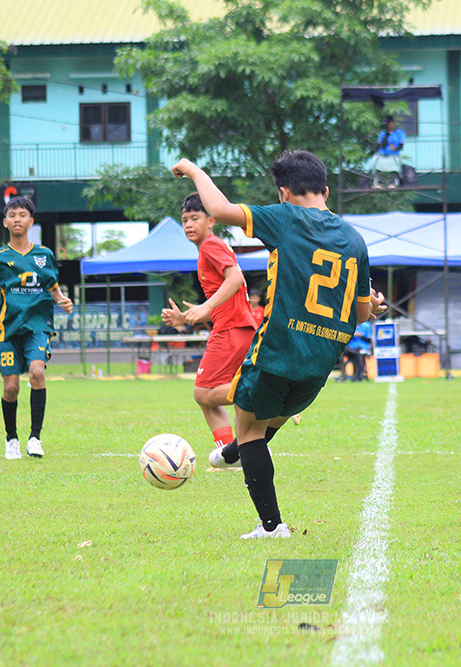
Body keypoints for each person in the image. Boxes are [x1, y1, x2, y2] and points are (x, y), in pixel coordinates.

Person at [172, 150, 386, 539]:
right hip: (321, 362)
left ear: (283, 193)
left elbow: (217, 208)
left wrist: (193, 169)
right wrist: (372, 306)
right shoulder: (355, 240)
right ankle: (230, 455)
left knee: (250, 428)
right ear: (324, 189)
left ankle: (271, 526)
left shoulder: (285, 217)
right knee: (266, 420)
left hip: (278, 348)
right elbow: (359, 315)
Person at [0, 196, 74, 460]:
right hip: (8, 329)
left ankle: (35, 439)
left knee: (37, 372)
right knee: (11, 388)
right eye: (12, 215)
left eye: (22, 215)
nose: (18, 219)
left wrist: (61, 300)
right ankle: (11, 439)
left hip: (39, 326)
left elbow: (51, 286)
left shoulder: (45, 255)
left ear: (31, 221)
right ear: (5, 222)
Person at [161, 193, 258, 458]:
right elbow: (227, 297)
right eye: (184, 220)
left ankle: (262, 390)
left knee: (203, 393)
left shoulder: (210, 246)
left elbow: (235, 278)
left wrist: (205, 307)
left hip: (230, 331)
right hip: (236, 328)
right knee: (210, 396)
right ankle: (233, 454)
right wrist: (187, 318)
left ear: (211, 220)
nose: (189, 224)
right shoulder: (211, 247)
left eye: (195, 218)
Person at [372, 115, 406, 188]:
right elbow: (379, 144)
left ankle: (392, 183)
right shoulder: (383, 133)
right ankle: (379, 183)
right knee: (377, 164)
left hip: (393, 155)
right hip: (382, 154)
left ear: (393, 123)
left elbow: (401, 145)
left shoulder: (399, 133)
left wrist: (395, 148)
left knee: (394, 167)